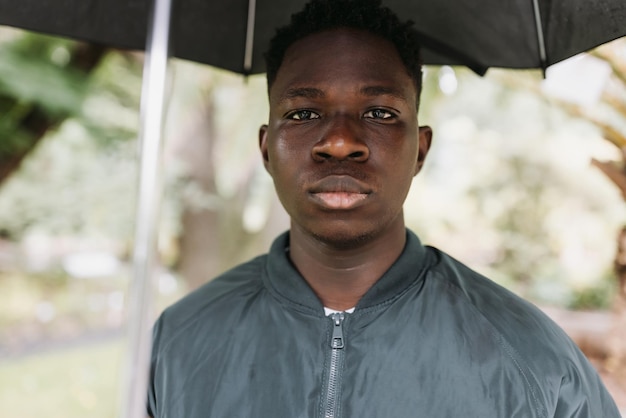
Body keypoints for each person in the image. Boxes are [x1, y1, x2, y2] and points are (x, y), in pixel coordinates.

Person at [147, 0, 621, 416]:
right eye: (303, 114)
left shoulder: (530, 357)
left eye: (379, 113)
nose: (338, 142)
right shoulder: (178, 341)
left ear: (420, 149)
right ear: (267, 150)